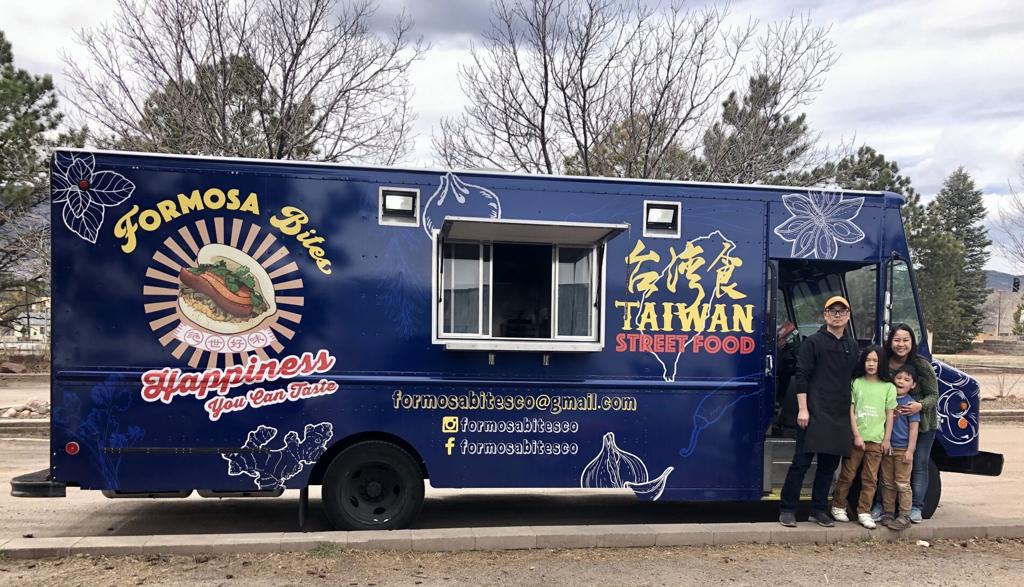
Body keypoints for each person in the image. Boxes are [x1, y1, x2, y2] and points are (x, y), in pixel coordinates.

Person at [779, 295, 860, 528]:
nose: (837, 315)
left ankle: (818, 510)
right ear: (825, 315)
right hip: (813, 413)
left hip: (839, 415)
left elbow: (855, 379)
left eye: (841, 311)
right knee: (801, 464)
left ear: (848, 316)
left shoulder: (852, 346)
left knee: (828, 468)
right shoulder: (812, 342)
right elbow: (801, 376)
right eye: (832, 311)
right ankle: (787, 509)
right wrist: (803, 410)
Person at [870, 323, 938, 524]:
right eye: (897, 340)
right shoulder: (882, 363)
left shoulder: (921, 364)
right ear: (890, 342)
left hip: (921, 425)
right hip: (890, 426)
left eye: (906, 340)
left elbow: (934, 395)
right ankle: (882, 505)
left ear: (912, 342)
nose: (901, 344)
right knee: (885, 468)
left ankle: (916, 507)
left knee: (918, 464)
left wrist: (919, 405)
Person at [831, 346, 896, 529]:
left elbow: (889, 414)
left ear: (881, 363)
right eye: (868, 360)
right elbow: (851, 410)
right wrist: (856, 435)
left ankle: (864, 512)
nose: (871, 364)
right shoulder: (856, 383)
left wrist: (886, 439)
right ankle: (838, 506)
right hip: (856, 439)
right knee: (847, 475)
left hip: (876, 440)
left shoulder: (888, 387)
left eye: (875, 360)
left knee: (870, 479)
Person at [879, 364, 921, 531]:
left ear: (914, 385)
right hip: (887, 447)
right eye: (899, 378)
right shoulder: (888, 399)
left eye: (906, 379)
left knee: (902, 483)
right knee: (888, 482)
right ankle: (888, 512)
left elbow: (913, 428)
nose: (901, 381)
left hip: (903, 449)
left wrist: (910, 450)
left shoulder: (911, 404)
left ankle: (904, 515)